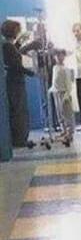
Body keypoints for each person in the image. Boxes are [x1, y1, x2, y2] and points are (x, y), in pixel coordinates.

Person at [1, 18, 38, 148]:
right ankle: (19, 140)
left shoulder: (9, 45)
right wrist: (32, 73)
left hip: (15, 82)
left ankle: (20, 139)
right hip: (14, 83)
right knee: (18, 111)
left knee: (18, 110)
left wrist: (21, 44)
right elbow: (15, 65)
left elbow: (15, 53)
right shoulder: (7, 45)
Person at [50, 49, 75, 146]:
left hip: (64, 93)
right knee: (60, 113)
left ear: (64, 57)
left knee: (67, 114)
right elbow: (54, 81)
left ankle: (70, 133)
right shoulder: (55, 68)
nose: (59, 57)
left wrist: (67, 95)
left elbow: (68, 84)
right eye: (57, 55)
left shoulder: (66, 69)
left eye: (61, 55)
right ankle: (64, 130)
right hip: (56, 92)